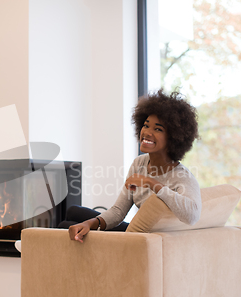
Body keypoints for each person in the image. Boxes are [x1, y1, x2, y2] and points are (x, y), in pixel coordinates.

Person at [59, 89, 202, 243]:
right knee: (73, 213)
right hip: (133, 229)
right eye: (146, 126)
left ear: (174, 138)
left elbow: (192, 215)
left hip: (146, 238)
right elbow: (118, 211)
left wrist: (151, 183)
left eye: (158, 129)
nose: (147, 132)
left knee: (64, 224)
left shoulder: (182, 177)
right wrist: (90, 223)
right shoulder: (139, 163)